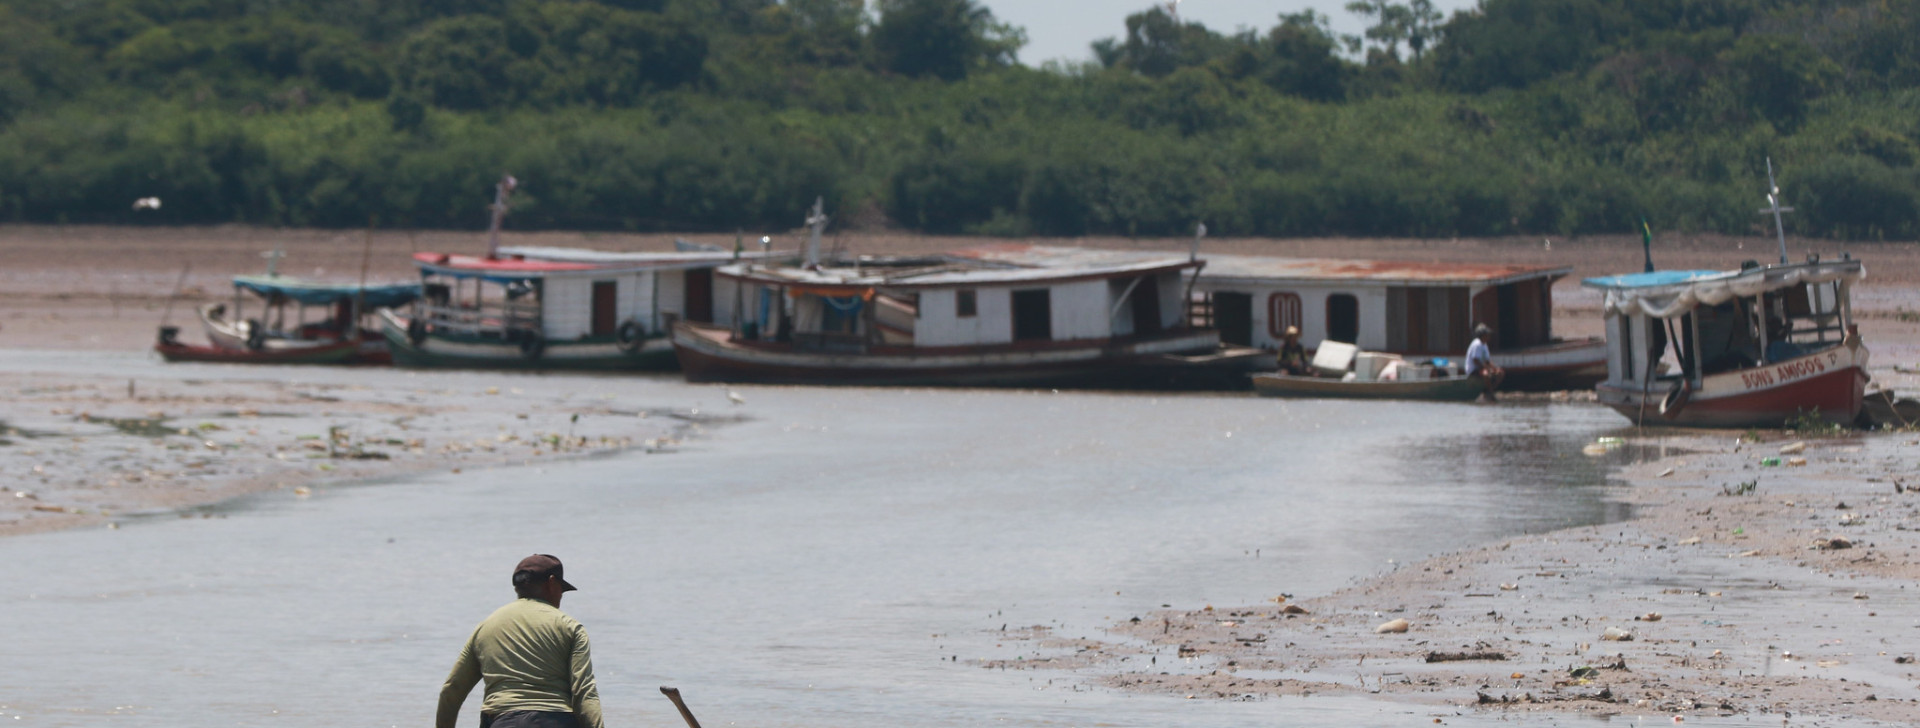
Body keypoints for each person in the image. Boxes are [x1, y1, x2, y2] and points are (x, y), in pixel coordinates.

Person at [437, 555, 605, 728]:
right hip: (557, 720)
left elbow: (452, 689)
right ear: (552, 583)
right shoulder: (570, 627)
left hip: (501, 721)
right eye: (561, 590)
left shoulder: (486, 627)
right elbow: (584, 693)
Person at [1465, 324, 1504, 401]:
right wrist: (1487, 369)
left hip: (1482, 369)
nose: (1489, 336)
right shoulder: (1477, 344)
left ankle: (1487, 391)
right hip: (1473, 370)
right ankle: (1490, 392)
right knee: (1486, 374)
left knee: (1500, 373)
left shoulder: (1484, 345)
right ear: (1482, 335)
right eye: (1487, 334)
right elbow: (1475, 360)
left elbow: (1487, 361)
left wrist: (1495, 369)